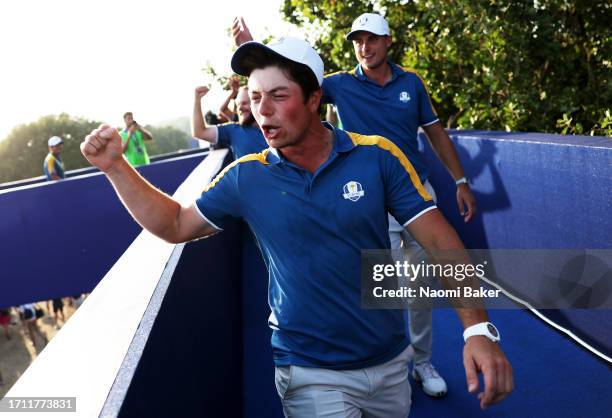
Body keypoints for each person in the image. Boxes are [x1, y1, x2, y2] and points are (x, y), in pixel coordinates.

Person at [81, 37, 512, 417]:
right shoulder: (246, 177)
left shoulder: (377, 157)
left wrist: (476, 328)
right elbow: (175, 223)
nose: (261, 111)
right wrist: (116, 168)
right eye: (253, 97)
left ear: (313, 99)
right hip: (308, 371)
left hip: (391, 361)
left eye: (277, 95)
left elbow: (439, 240)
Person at [233, 13, 479, 398]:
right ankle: (383, 368)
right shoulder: (338, 85)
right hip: (363, 197)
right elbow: (289, 84)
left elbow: (435, 132)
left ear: (388, 42)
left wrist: (460, 181)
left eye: (372, 39)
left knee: (416, 288)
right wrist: (254, 46)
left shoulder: (411, 83)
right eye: (358, 40)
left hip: (412, 193)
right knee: (381, 286)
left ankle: (421, 361)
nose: (365, 47)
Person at [192, 83, 267, 159]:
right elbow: (199, 132)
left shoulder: (274, 127)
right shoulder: (233, 130)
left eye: (244, 103)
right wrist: (197, 99)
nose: (239, 108)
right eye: (238, 105)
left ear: (258, 103)